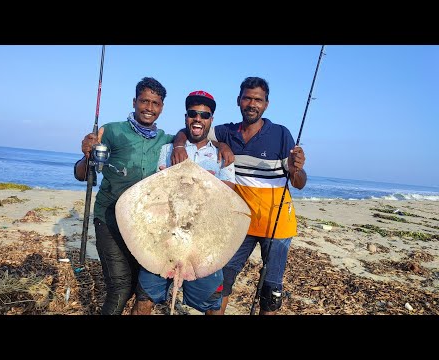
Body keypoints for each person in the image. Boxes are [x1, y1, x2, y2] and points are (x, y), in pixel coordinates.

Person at [172, 77, 307, 315]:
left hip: (277, 225)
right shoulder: (227, 131)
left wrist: (297, 169)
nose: (252, 104)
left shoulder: (280, 134)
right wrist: (180, 146)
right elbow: (190, 130)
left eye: (258, 99)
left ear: (266, 104)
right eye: (247, 98)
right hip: (240, 222)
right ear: (239, 101)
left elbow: (299, 183)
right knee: (222, 282)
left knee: (270, 291)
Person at [74, 77, 175, 315]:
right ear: (134, 101)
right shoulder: (110, 131)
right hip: (109, 220)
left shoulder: (166, 140)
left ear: (161, 107)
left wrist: (222, 147)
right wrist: (86, 155)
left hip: (143, 225)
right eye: (144, 101)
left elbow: (191, 138)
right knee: (119, 288)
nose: (149, 108)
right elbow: (80, 175)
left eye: (155, 103)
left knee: (134, 287)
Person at [131, 90, 236, 315]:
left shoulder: (222, 155)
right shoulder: (168, 149)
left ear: (211, 120)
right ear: (186, 117)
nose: (198, 119)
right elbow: (153, 191)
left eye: (204, 115)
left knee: (212, 303)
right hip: (164, 240)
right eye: (193, 113)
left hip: (204, 243)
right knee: (145, 298)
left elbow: (228, 196)